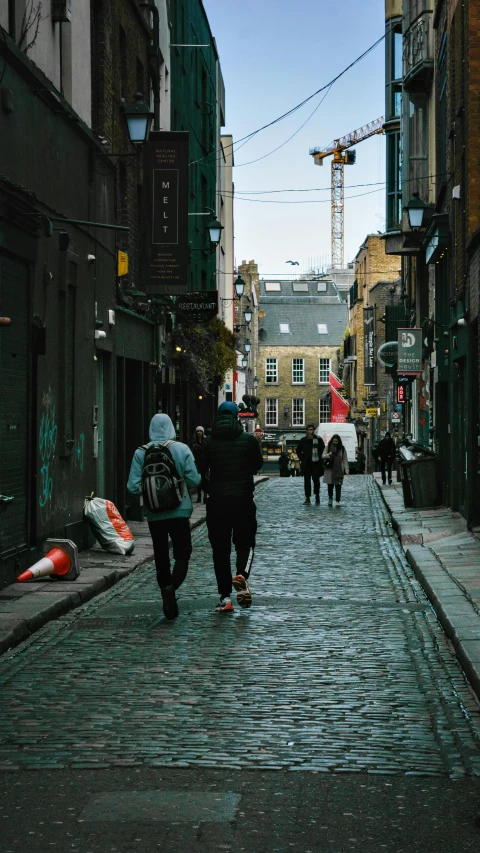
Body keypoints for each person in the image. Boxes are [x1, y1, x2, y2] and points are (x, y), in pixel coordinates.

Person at [127, 413, 201, 620]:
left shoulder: (140, 453)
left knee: (161, 554)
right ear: (171, 428)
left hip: (154, 514)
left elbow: (132, 487)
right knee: (182, 552)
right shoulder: (181, 449)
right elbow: (194, 480)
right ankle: (172, 587)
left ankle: (164, 590)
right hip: (180, 511)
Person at [200, 401, 263, 613]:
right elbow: (257, 465)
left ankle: (225, 597)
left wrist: (211, 488)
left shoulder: (208, 442)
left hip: (217, 502)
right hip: (243, 500)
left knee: (220, 549)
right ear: (237, 417)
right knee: (246, 543)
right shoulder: (249, 441)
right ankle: (241, 575)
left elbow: (199, 472)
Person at [296, 425, 325, 505]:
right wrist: (302, 458)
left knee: (316, 481)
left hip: (316, 463)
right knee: (307, 482)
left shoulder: (318, 439)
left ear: (313, 430)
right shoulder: (303, 440)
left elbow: (323, 450)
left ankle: (317, 497)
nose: (309, 431)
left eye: (311, 429)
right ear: (306, 431)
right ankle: (307, 498)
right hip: (306, 464)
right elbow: (298, 450)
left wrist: (319, 458)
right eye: (308, 430)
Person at [322, 434, 349, 506]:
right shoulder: (328, 447)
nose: (335, 442)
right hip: (329, 469)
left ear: (339, 441)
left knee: (338, 485)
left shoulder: (342, 449)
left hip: (339, 469)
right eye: (334, 441)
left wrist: (346, 469)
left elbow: (345, 459)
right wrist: (329, 454)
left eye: (336, 441)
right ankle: (330, 498)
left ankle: (337, 500)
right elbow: (323, 456)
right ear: (332, 440)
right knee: (330, 485)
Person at [191, 426, 207, 502]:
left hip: (204, 462)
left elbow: (206, 450)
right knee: (198, 480)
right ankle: (199, 497)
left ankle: (205, 496)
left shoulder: (206, 440)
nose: (199, 433)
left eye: (200, 431)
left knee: (204, 479)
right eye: (198, 431)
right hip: (197, 462)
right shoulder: (194, 441)